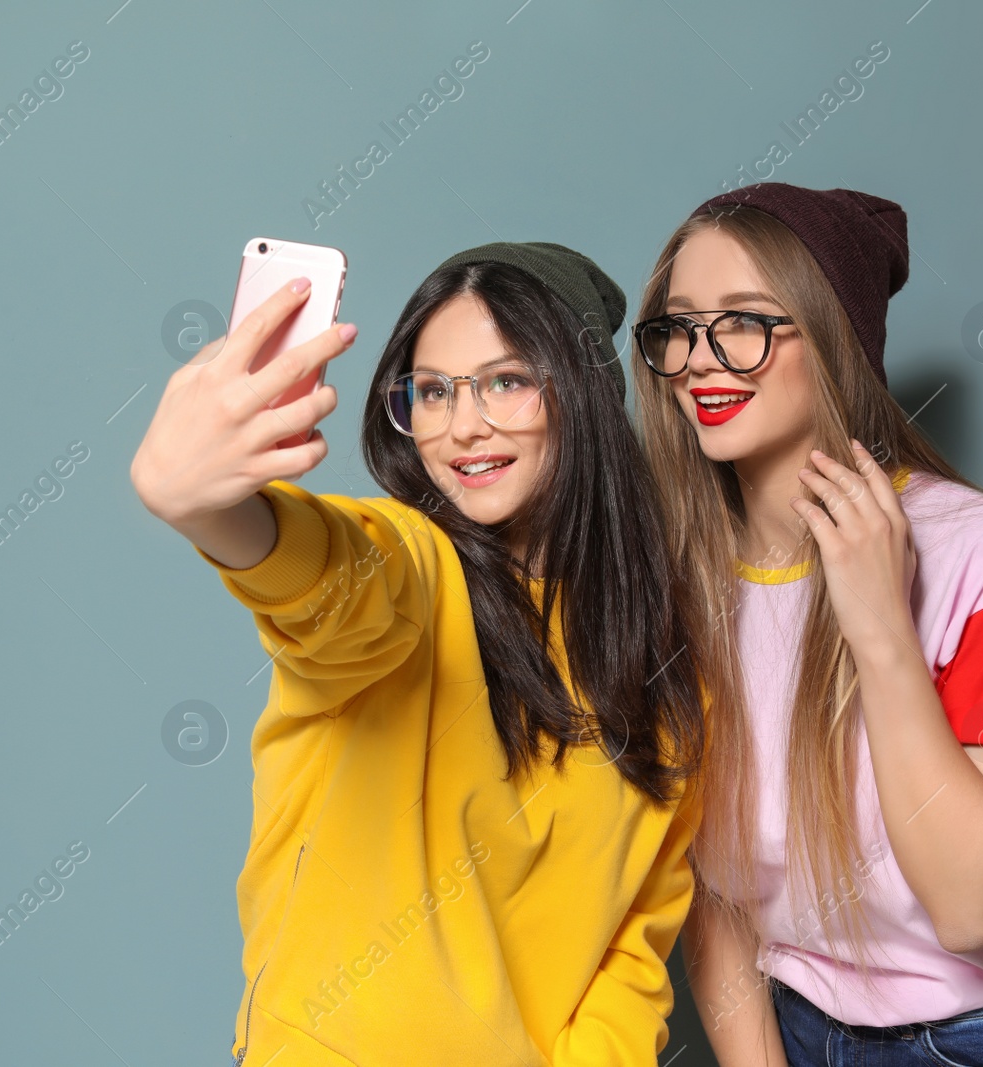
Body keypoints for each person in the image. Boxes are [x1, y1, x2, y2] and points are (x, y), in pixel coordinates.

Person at [132, 242, 707, 1065]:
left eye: (505, 380)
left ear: (583, 394)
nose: (461, 424)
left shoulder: (673, 671)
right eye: (432, 392)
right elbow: (322, 579)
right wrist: (210, 513)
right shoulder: (412, 566)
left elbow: (633, 951)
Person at [630, 182, 983, 1065]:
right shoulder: (675, 579)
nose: (701, 359)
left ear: (835, 337)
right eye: (679, 327)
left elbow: (971, 907)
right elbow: (709, 890)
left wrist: (882, 629)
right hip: (801, 1027)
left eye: (744, 321)